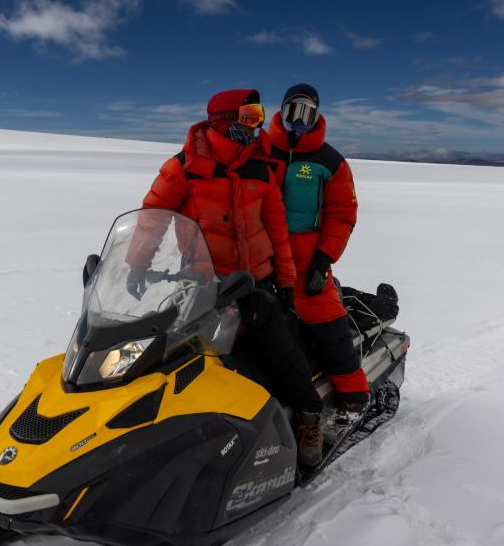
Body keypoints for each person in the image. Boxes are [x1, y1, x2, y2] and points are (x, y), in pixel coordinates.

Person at [126, 88, 325, 465]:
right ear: (222, 121)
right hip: (202, 283)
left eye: (258, 117)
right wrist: (137, 265)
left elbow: (276, 230)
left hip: (256, 282)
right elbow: (153, 217)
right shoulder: (184, 167)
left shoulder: (260, 167)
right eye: (248, 117)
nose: (255, 126)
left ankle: (309, 415)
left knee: (281, 351)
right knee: (178, 358)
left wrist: (285, 281)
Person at [264, 84, 371, 417]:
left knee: (326, 320)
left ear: (317, 117)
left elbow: (342, 214)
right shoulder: (260, 150)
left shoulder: (330, 161)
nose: (299, 121)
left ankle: (352, 390)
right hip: (262, 256)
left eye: (307, 114)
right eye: (293, 112)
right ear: (281, 111)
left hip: (306, 260)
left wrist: (323, 259)